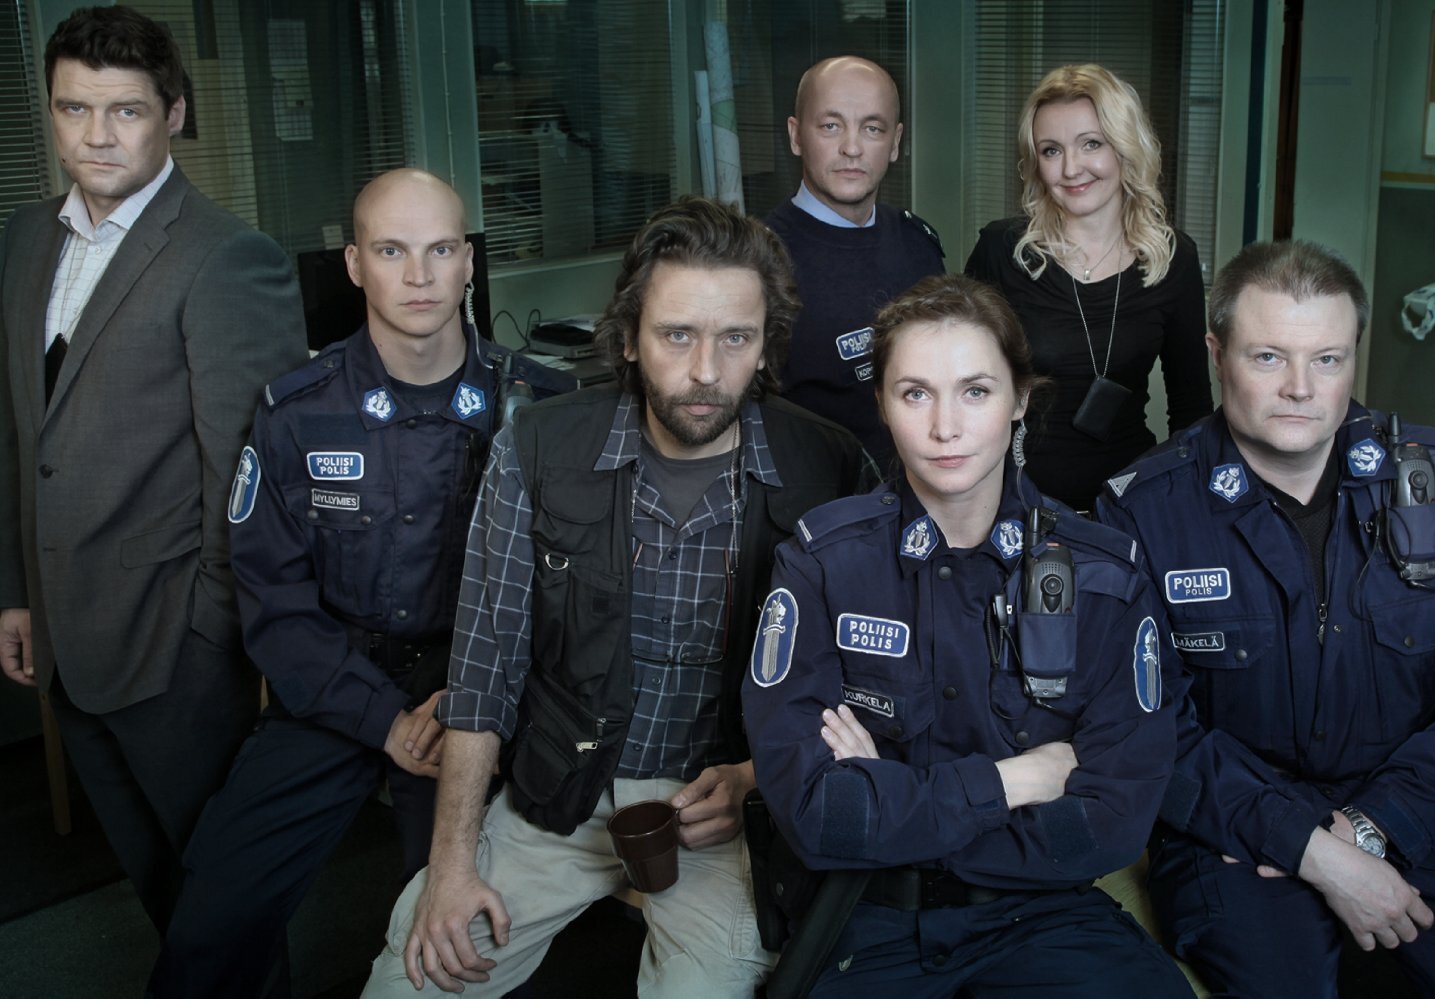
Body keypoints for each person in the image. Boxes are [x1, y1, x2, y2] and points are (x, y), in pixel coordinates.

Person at [360, 197, 871, 997]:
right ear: (630, 338)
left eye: (735, 338)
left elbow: (864, 680)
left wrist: (754, 777)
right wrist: (450, 866)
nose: (705, 371)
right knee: (410, 980)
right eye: (676, 335)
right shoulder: (537, 447)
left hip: (721, 806)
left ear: (766, 344)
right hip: (557, 788)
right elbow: (483, 671)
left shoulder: (829, 465)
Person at [1099, 240, 1435, 997]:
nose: (1300, 388)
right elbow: (1148, 728)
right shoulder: (1142, 512)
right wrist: (1309, 849)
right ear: (1217, 354)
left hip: (1407, 797)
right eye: (1268, 357)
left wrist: (1370, 829)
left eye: (1326, 359)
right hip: (1229, 822)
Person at [147, 169, 572, 998]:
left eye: (440, 250)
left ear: (468, 263)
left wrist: (471, 705)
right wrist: (383, 721)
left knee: (466, 944)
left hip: (479, 698)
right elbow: (273, 602)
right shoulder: (296, 410)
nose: (419, 276)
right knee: (210, 917)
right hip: (335, 687)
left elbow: (568, 598)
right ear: (353, 264)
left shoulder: (541, 408)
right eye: (390, 251)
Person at [744, 274, 1190, 994]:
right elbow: (820, 817)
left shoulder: (1105, 575)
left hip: (1045, 916)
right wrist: (1013, 781)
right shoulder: (822, 565)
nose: (944, 427)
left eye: (975, 391)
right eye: (914, 393)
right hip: (870, 917)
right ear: (881, 405)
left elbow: (1110, 824)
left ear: (1020, 399)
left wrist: (893, 797)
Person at [0, 5, 307, 935]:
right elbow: (20, 436)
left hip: (174, 647)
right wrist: (17, 594)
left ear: (172, 113)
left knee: (220, 894)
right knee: (154, 883)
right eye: (74, 109)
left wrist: (208, 634)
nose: (96, 135)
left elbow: (252, 479)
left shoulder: (227, 258)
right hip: (62, 634)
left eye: (125, 110)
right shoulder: (23, 238)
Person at [965, 63, 1211, 510]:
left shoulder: (1173, 257)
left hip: (1131, 503)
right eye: (1051, 150)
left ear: (1125, 148)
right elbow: (962, 386)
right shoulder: (1002, 251)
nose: (1071, 168)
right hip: (1015, 502)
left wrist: (1189, 508)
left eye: (1091, 144)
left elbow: (1190, 407)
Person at [765, 55, 945, 468]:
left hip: (918, 483)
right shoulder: (758, 258)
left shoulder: (919, 243)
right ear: (796, 136)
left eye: (872, 128)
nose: (851, 147)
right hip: (812, 492)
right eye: (831, 126)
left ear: (895, 142)